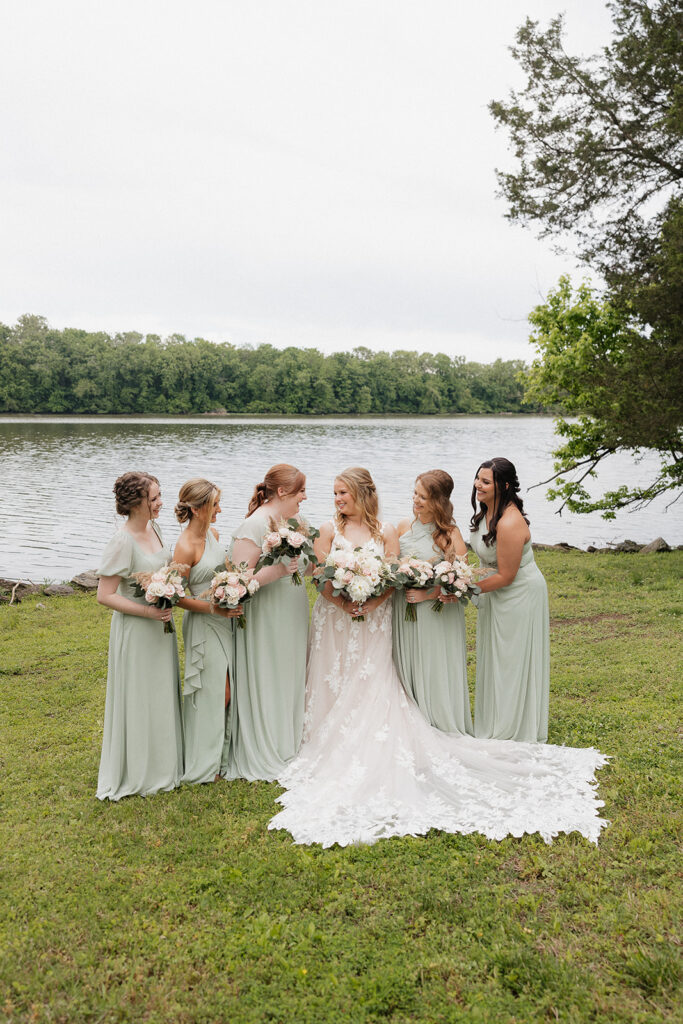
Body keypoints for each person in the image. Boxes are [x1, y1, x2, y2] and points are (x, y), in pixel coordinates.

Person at [268, 469, 607, 849]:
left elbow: (429, 574)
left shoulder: (394, 532)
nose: (415, 501)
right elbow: (328, 574)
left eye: (341, 492)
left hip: (389, 617)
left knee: (378, 679)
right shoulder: (369, 528)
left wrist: (380, 599)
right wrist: (346, 599)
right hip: (342, 619)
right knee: (339, 676)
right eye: (333, 493)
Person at [96, 472, 183, 800]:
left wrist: (170, 587)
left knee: (160, 692)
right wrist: (148, 611)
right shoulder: (123, 540)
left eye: (160, 496)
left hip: (161, 627)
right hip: (137, 630)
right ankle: (140, 770)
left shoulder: (155, 528)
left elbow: (163, 569)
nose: (161, 503)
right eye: (155, 498)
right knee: (141, 695)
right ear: (137, 503)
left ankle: (165, 763)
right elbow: (105, 595)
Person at [221, 464, 310, 782]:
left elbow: (309, 566)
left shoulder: (297, 522)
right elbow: (237, 587)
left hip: (292, 609)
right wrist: (274, 573)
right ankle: (267, 744)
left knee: (291, 671)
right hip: (264, 615)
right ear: (282, 491)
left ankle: (291, 740)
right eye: (300, 490)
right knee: (269, 671)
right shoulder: (254, 524)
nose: (305, 496)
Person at [470, 458, 549, 743]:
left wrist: (464, 588)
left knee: (511, 661)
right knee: (495, 658)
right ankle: (494, 718)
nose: (478, 485)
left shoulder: (510, 522)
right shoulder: (485, 513)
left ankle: (513, 725)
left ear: (502, 486)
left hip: (519, 596)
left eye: (486, 481)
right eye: (478, 479)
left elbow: (506, 576)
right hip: (495, 594)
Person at [393, 470, 473, 734]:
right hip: (405, 609)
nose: (416, 500)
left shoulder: (450, 534)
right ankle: (412, 724)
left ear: (438, 501)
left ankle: (438, 723)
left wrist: (428, 594)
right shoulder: (403, 526)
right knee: (409, 667)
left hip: (436, 613)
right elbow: (390, 564)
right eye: (415, 493)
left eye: (423, 497)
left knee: (434, 668)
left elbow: (462, 581)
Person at [174, 478, 241, 785]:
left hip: (225, 619)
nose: (219, 510)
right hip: (204, 622)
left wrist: (236, 589)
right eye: (215, 505)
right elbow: (176, 597)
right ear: (199, 508)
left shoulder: (213, 534)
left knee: (226, 688)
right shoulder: (185, 546)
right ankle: (204, 764)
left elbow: (225, 572)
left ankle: (220, 759)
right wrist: (214, 608)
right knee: (215, 691)